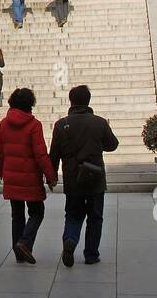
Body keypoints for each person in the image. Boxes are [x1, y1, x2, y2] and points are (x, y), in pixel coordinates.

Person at [49, 84, 119, 266]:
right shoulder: (100, 122)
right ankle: (91, 254)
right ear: (88, 100)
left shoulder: (61, 124)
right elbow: (112, 145)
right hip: (95, 177)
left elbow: (54, 154)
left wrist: (51, 176)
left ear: (71, 101)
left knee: (73, 214)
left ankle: (70, 239)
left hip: (73, 178)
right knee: (95, 217)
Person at [0, 87, 57, 263]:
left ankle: (18, 251)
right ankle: (25, 243)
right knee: (37, 212)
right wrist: (51, 176)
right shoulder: (34, 125)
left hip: (12, 177)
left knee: (17, 214)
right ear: (30, 104)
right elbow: (41, 154)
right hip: (30, 178)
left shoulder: (4, 124)